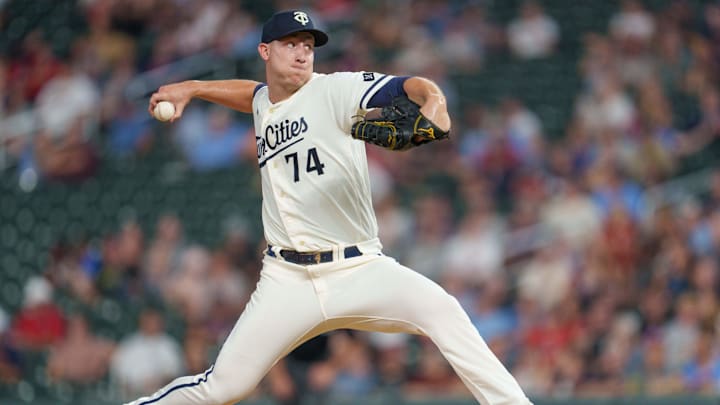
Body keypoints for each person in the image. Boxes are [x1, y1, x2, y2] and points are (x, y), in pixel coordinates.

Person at [127, 9, 531, 405]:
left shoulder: (336, 89)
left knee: (443, 311)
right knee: (224, 388)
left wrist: (435, 102)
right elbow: (251, 95)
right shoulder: (265, 103)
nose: (303, 53)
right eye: (291, 45)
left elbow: (414, 86)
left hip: (359, 268)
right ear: (265, 52)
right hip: (287, 279)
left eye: (308, 46)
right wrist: (194, 88)